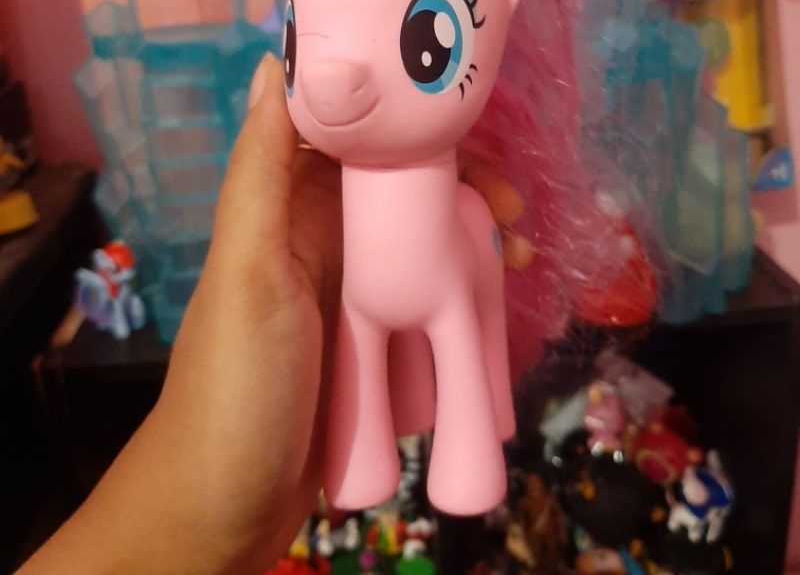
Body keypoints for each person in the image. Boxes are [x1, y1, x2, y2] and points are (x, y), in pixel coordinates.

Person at [18, 56, 531, 575]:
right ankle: (368, 454)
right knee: (366, 346)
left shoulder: (459, 209)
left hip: (445, 258)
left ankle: (475, 445)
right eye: (295, 43)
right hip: (366, 280)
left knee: (463, 337)